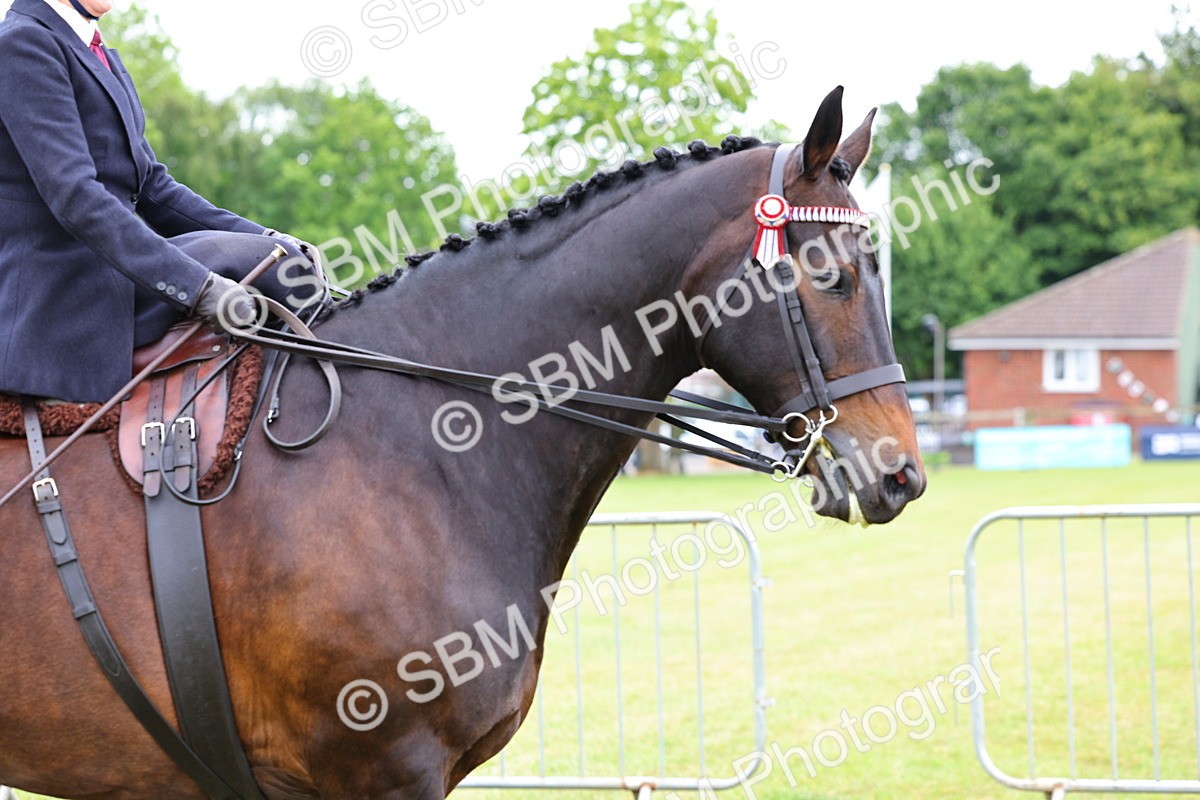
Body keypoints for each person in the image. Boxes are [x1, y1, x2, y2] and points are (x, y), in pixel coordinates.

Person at [0, 0, 326, 404]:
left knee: (287, 266)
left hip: (117, 266)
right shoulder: (22, 45)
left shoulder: (93, 50)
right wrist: (200, 289)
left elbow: (153, 186)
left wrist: (271, 238)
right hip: (64, 287)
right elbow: (76, 197)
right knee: (274, 271)